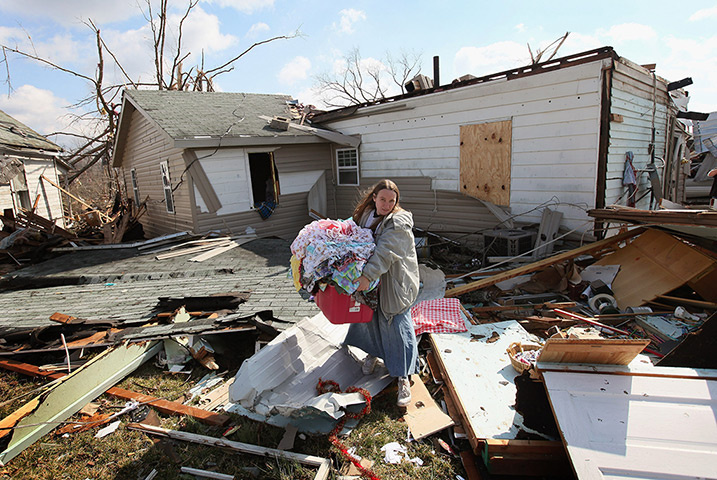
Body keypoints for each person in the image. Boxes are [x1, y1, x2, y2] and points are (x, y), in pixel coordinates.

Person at [344, 179, 420, 407]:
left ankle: (403, 376)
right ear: (374, 197)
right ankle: (374, 354)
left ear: (397, 202)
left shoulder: (399, 223)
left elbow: (385, 252)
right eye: (383, 199)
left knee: (396, 325)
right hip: (371, 281)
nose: (386, 204)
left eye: (391, 201)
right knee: (370, 319)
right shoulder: (366, 216)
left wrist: (367, 276)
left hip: (394, 282)